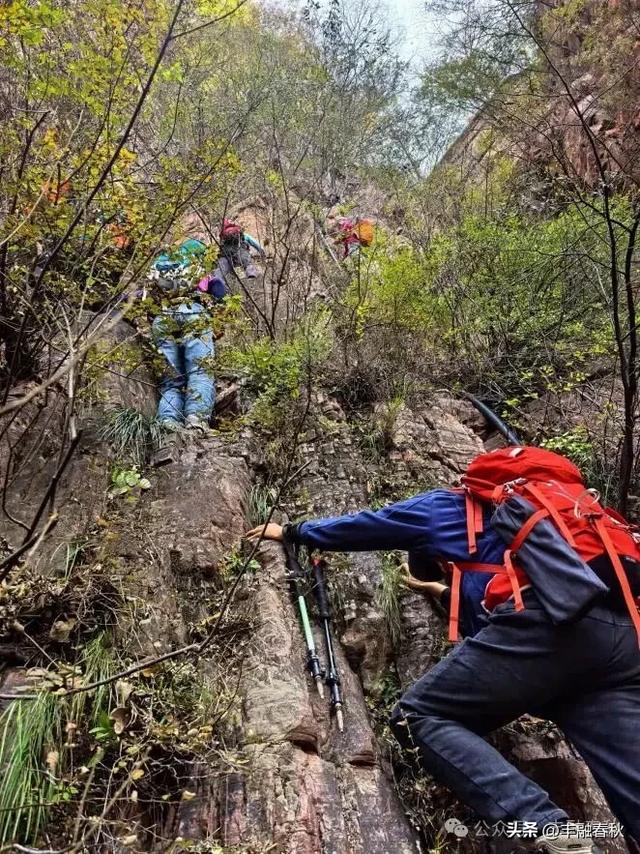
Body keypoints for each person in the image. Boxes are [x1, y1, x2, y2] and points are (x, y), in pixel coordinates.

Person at [246, 484, 640, 854]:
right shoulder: (534, 520)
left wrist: (295, 531)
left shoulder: (444, 506)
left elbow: (370, 525)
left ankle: (555, 835)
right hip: (622, 637)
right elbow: (487, 597)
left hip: (551, 628)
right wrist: (443, 592)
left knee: (419, 715)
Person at [148, 222, 220, 434]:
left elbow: (139, 297)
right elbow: (220, 292)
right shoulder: (199, 268)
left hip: (162, 319)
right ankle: (196, 420)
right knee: (200, 372)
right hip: (193, 313)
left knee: (171, 381)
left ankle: (168, 422)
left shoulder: (162, 266)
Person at [209, 218, 265, 291]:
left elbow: (218, 249)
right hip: (240, 253)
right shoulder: (242, 235)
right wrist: (262, 252)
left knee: (221, 269)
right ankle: (251, 272)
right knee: (247, 263)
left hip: (226, 255)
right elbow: (255, 243)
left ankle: (218, 281)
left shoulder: (223, 237)